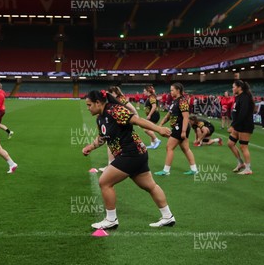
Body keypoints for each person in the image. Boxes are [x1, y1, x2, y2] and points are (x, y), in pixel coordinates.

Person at [82, 90, 175, 229]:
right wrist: (91, 146)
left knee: (104, 182)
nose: (88, 108)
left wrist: (158, 129)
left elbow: (138, 120)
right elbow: (103, 138)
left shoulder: (115, 110)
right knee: (150, 186)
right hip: (136, 154)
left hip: (131, 154)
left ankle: (111, 219)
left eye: (89, 105)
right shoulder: (100, 118)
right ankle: (168, 216)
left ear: (98, 103)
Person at [155, 83, 199, 176]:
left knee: (169, 147)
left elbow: (186, 117)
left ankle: (166, 171)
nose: (170, 92)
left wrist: (183, 131)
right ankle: (194, 169)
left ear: (178, 90)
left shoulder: (182, 101)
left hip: (180, 128)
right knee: (185, 149)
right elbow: (168, 115)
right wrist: (161, 124)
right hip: (178, 127)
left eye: (172, 90)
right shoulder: (175, 101)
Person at [98, 86, 140, 171]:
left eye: (111, 92)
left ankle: (112, 164)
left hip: (121, 123)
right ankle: (113, 163)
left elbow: (132, 108)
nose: (109, 94)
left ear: (115, 93)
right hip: (117, 122)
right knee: (111, 142)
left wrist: (136, 119)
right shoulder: (113, 101)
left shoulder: (121, 99)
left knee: (111, 141)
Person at [227, 80, 255, 175]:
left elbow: (243, 114)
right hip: (238, 125)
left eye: (234, 86)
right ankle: (240, 163)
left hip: (245, 125)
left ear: (239, 87)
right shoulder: (238, 97)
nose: (232, 88)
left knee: (243, 147)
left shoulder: (245, 98)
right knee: (230, 143)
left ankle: (248, 169)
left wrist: (233, 125)